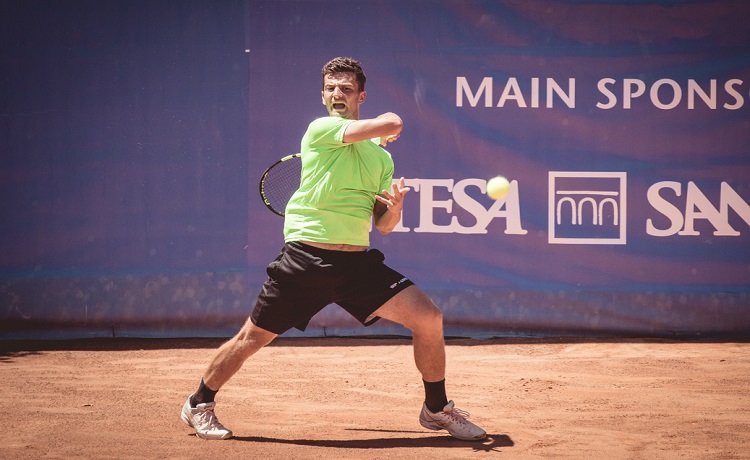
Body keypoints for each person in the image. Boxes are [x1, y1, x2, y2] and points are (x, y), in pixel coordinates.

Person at [181, 57, 486, 442]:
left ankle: (436, 408)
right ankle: (198, 403)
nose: (337, 94)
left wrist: (395, 207)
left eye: (345, 88)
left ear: (361, 95)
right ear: (324, 95)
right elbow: (393, 123)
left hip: (357, 263)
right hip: (306, 258)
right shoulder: (322, 128)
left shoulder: (381, 159)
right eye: (330, 88)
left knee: (429, 318)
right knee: (252, 339)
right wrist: (382, 131)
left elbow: (385, 226)